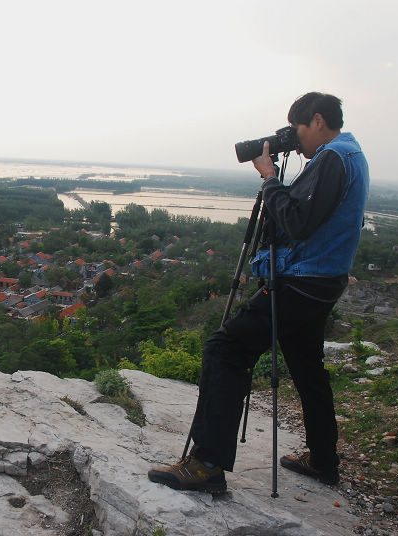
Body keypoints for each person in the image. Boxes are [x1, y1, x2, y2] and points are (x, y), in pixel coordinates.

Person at [147, 92, 370, 493]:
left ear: (317, 121)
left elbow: (298, 223)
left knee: (225, 349)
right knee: (307, 368)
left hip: (301, 284)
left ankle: (207, 465)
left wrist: (270, 180)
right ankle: (323, 460)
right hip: (323, 282)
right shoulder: (350, 154)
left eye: (298, 129)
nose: (296, 139)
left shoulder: (335, 158)